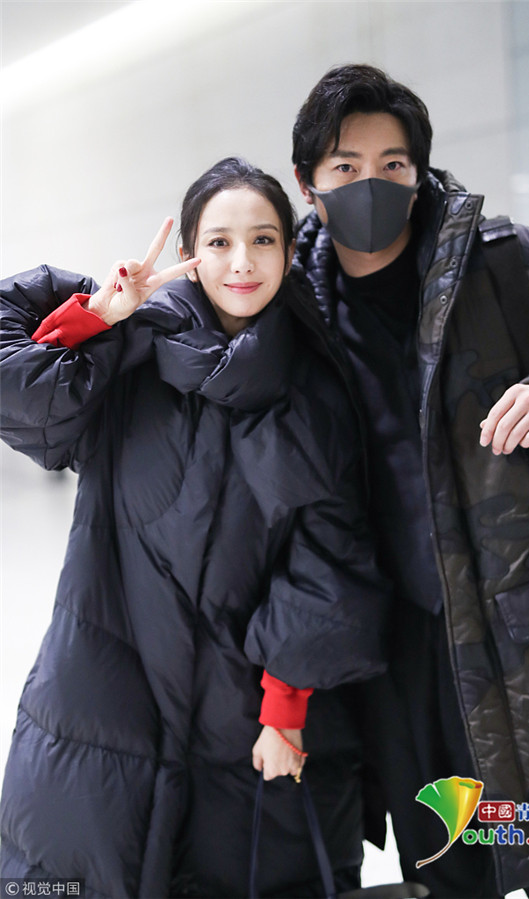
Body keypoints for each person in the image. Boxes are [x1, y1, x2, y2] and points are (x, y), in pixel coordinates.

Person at [0, 157, 392, 898]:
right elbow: (21, 396)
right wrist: (97, 317)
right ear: (188, 250)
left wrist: (285, 707)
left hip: (247, 715)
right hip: (106, 694)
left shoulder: (314, 381)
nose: (242, 262)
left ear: (288, 250)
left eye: (263, 240)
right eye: (219, 242)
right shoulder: (131, 355)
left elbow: (331, 553)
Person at [289, 64, 529, 899]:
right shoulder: (291, 312)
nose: (372, 183)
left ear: (420, 170)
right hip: (401, 665)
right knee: (452, 863)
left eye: (393, 164)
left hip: (527, 642)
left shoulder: (509, 265)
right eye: (347, 165)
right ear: (307, 182)